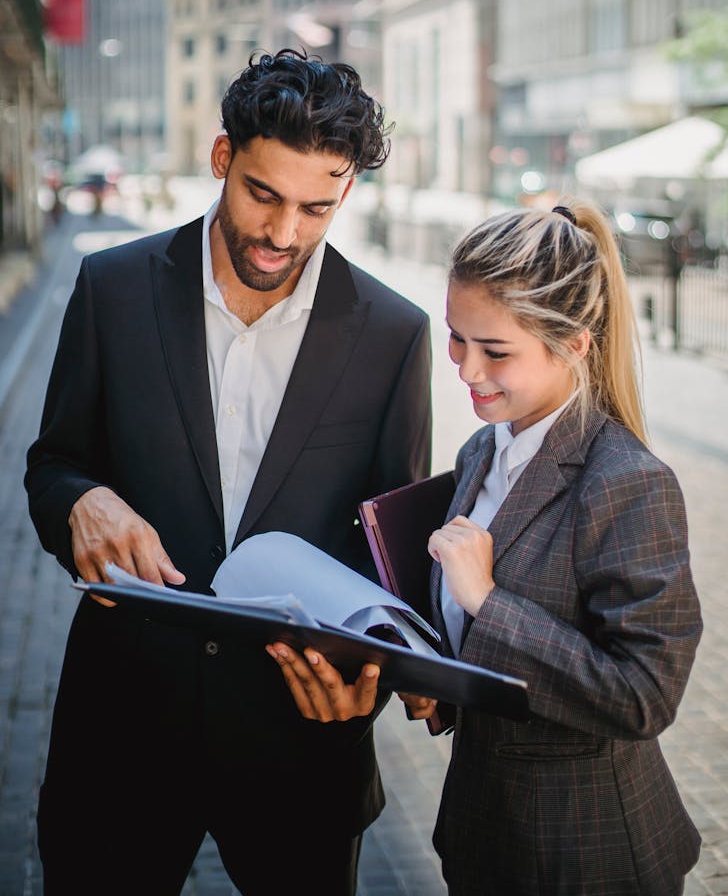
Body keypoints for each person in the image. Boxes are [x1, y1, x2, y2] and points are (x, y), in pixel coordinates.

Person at [25, 49, 432, 896]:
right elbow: (51, 464)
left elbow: (392, 564)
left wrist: (373, 678)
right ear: (222, 159)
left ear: (347, 192)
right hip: (122, 737)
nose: (284, 233)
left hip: (301, 753)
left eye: (316, 206)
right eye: (262, 194)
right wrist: (81, 501)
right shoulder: (111, 288)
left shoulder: (395, 334)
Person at [268, 200, 703, 895]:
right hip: (482, 836)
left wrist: (488, 601)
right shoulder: (481, 449)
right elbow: (491, 660)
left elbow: (644, 696)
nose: (467, 371)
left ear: (574, 345)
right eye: (455, 337)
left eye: (496, 350)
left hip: (587, 857)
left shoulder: (629, 483)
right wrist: (439, 685)